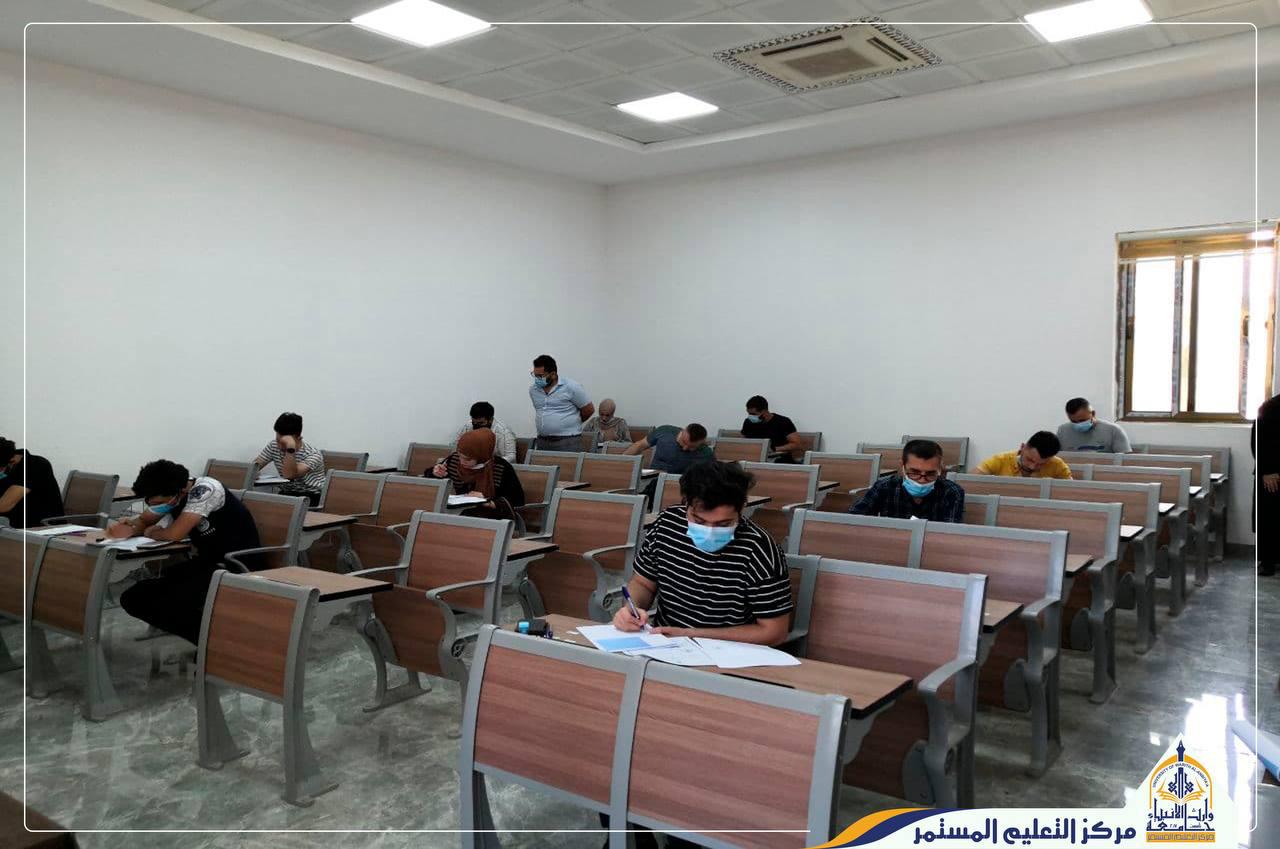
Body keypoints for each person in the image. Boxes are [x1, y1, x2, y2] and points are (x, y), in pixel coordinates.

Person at [612, 460, 792, 645]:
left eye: (723, 524)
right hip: (664, 644)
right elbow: (643, 583)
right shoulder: (667, 524)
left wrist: (690, 634)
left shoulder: (760, 550)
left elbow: (774, 631)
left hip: (727, 650)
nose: (710, 531)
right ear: (686, 503)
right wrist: (631, 610)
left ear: (741, 509)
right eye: (699, 521)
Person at [112, 460, 261, 645]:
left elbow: (174, 534)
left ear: (179, 493)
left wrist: (153, 532)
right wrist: (128, 527)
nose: (156, 506)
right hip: (207, 563)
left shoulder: (205, 490)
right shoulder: (172, 492)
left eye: (159, 503)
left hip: (235, 565)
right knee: (134, 597)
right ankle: (209, 640)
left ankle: (214, 644)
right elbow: (144, 521)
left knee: (160, 599)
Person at [851, 439, 965, 522]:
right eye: (914, 472)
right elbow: (854, 519)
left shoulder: (951, 492)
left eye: (930, 473)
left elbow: (949, 533)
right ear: (902, 466)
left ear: (940, 469)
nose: (922, 480)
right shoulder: (884, 487)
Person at [430, 429, 525, 522]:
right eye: (460, 456)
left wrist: (488, 501)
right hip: (453, 513)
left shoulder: (501, 467)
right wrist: (435, 472)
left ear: (481, 456)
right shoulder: (454, 460)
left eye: (468, 459)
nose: (462, 462)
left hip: (488, 518)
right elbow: (432, 481)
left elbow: (518, 500)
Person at [252, 412, 326, 506]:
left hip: (311, 496)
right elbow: (253, 467)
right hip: (286, 494)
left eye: (284, 443)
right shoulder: (273, 445)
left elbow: (289, 475)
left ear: (298, 437)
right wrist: (254, 472)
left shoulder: (313, 454)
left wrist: (290, 448)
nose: (279, 446)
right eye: (278, 440)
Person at [528, 354, 594, 452]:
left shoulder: (571, 387)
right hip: (542, 441)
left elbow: (588, 410)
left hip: (568, 441)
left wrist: (571, 422)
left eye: (540, 376)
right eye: (535, 375)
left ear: (553, 374)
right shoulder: (534, 390)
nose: (537, 379)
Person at [0, 438, 64, 528]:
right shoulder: (7, 461)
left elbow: (3, 506)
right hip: (10, 525)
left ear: (12, 462)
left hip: (40, 528)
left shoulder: (35, 465)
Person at [974, 431, 1073, 479]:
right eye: (1030, 460)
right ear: (1022, 447)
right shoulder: (999, 460)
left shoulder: (1058, 465)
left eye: (1041, 464)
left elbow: (1071, 494)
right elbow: (969, 481)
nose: (1032, 467)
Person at [1255, 393, 1279, 576]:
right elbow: (1258, 440)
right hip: (1270, 474)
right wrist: (1267, 470)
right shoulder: (1271, 408)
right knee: (1269, 518)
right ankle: (1267, 561)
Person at [740, 395, 803, 462]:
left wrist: (773, 449)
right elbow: (743, 442)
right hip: (754, 458)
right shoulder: (748, 422)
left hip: (779, 459)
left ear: (764, 411)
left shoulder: (783, 422)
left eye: (753, 414)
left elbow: (797, 444)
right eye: (749, 414)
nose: (751, 416)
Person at [451, 401, 517, 463]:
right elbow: (456, 448)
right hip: (471, 465)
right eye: (474, 422)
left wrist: (487, 464)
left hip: (495, 467)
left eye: (481, 423)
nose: (476, 426)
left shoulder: (504, 432)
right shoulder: (468, 426)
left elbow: (511, 457)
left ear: (490, 419)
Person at [1056, 398, 1131, 452]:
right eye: (1073, 421)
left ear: (1093, 413)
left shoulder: (1113, 431)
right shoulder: (1063, 431)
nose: (1078, 424)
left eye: (1082, 420)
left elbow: (1126, 461)